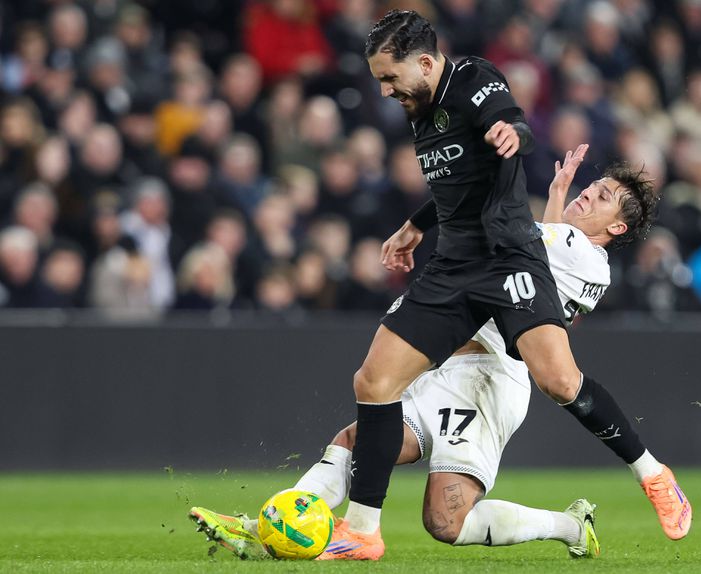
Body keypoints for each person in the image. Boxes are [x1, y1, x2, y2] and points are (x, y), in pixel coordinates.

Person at [300, 10, 688, 559]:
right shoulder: (421, 111)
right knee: (373, 384)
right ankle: (361, 530)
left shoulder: (474, 79)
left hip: (506, 277)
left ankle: (652, 473)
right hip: (456, 267)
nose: (385, 90)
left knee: (559, 380)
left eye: (390, 78)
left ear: (427, 63)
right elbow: (461, 186)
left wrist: (515, 132)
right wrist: (417, 223)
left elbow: (514, 126)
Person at [189, 144, 657, 560]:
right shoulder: (573, 250)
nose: (588, 193)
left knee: (445, 523)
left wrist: (456, 198)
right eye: (593, 185)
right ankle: (265, 530)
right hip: (454, 368)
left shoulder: (580, 251)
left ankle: (571, 525)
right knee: (354, 442)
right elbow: (542, 258)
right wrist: (557, 198)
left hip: (488, 383)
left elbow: (519, 238)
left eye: (601, 196)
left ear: (617, 225)